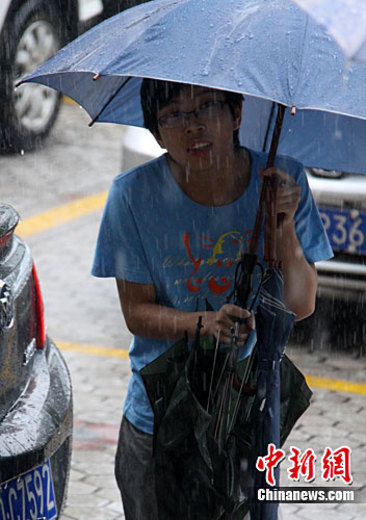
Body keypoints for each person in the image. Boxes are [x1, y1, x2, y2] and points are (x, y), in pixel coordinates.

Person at [92, 79, 333, 519]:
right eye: (174, 116)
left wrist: (284, 227)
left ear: (237, 114)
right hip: (161, 421)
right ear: (156, 131)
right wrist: (202, 323)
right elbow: (136, 312)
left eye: (207, 107)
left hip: (246, 423)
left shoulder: (282, 181)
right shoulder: (131, 196)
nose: (193, 127)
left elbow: (301, 304)